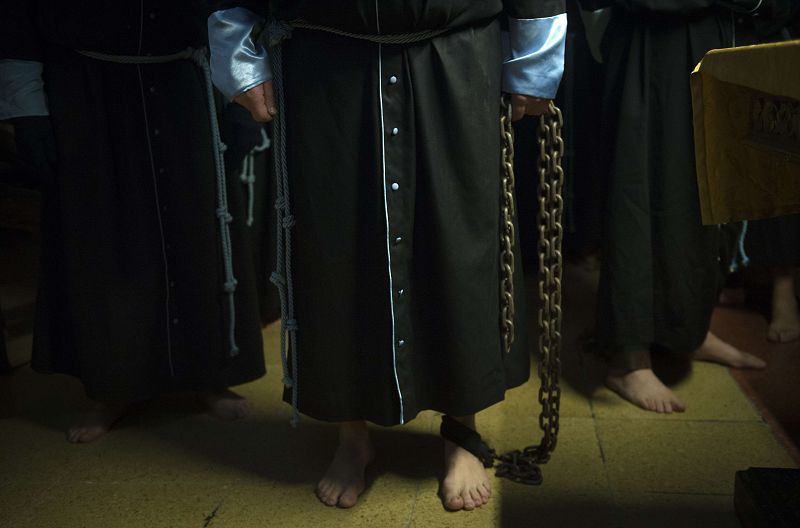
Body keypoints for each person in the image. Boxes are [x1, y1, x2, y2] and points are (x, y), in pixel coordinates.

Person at [208, 0, 566, 511]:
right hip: (325, 56)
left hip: (455, 52)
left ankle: (462, 430)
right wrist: (236, 50)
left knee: (459, 243)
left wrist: (536, 56)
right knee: (335, 246)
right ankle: (352, 436)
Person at [0, 1, 265, 442]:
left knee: (199, 234)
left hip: (188, 84)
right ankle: (114, 386)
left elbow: (233, 8)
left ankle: (207, 374)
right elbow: (16, 20)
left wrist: (240, 96)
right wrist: (28, 113)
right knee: (106, 238)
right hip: (90, 95)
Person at [593, 0, 779, 415]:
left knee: (711, 193)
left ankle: (691, 329)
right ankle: (629, 358)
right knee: (641, 195)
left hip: (721, 38)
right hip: (651, 49)